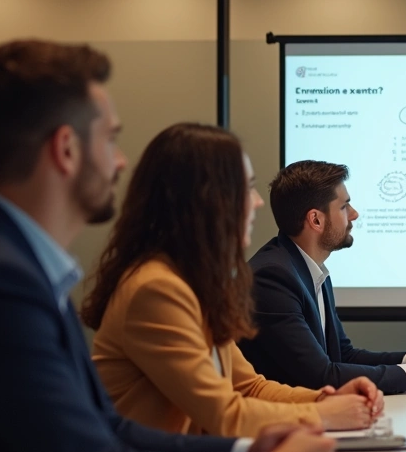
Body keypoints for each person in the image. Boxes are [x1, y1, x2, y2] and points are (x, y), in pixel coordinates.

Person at [0, 40, 335, 452]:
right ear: (66, 149)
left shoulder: (9, 264)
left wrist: (246, 448)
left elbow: (108, 430)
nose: (120, 161)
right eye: (109, 139)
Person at [83, 124, 383, 435]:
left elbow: (249, 387)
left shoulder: (195, 284)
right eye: (246, 187)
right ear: (206, 201)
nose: (257, 202)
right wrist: (324, 415)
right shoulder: (156, 289)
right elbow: (224, 415)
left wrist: (325, 398)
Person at [239, 160, 406, 395]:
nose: (354, 214)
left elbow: (343, 355)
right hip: (282, 424)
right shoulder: (272, 277)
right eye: (345, 206)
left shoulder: (308, 267)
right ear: (316, 220)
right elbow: (320, 376)